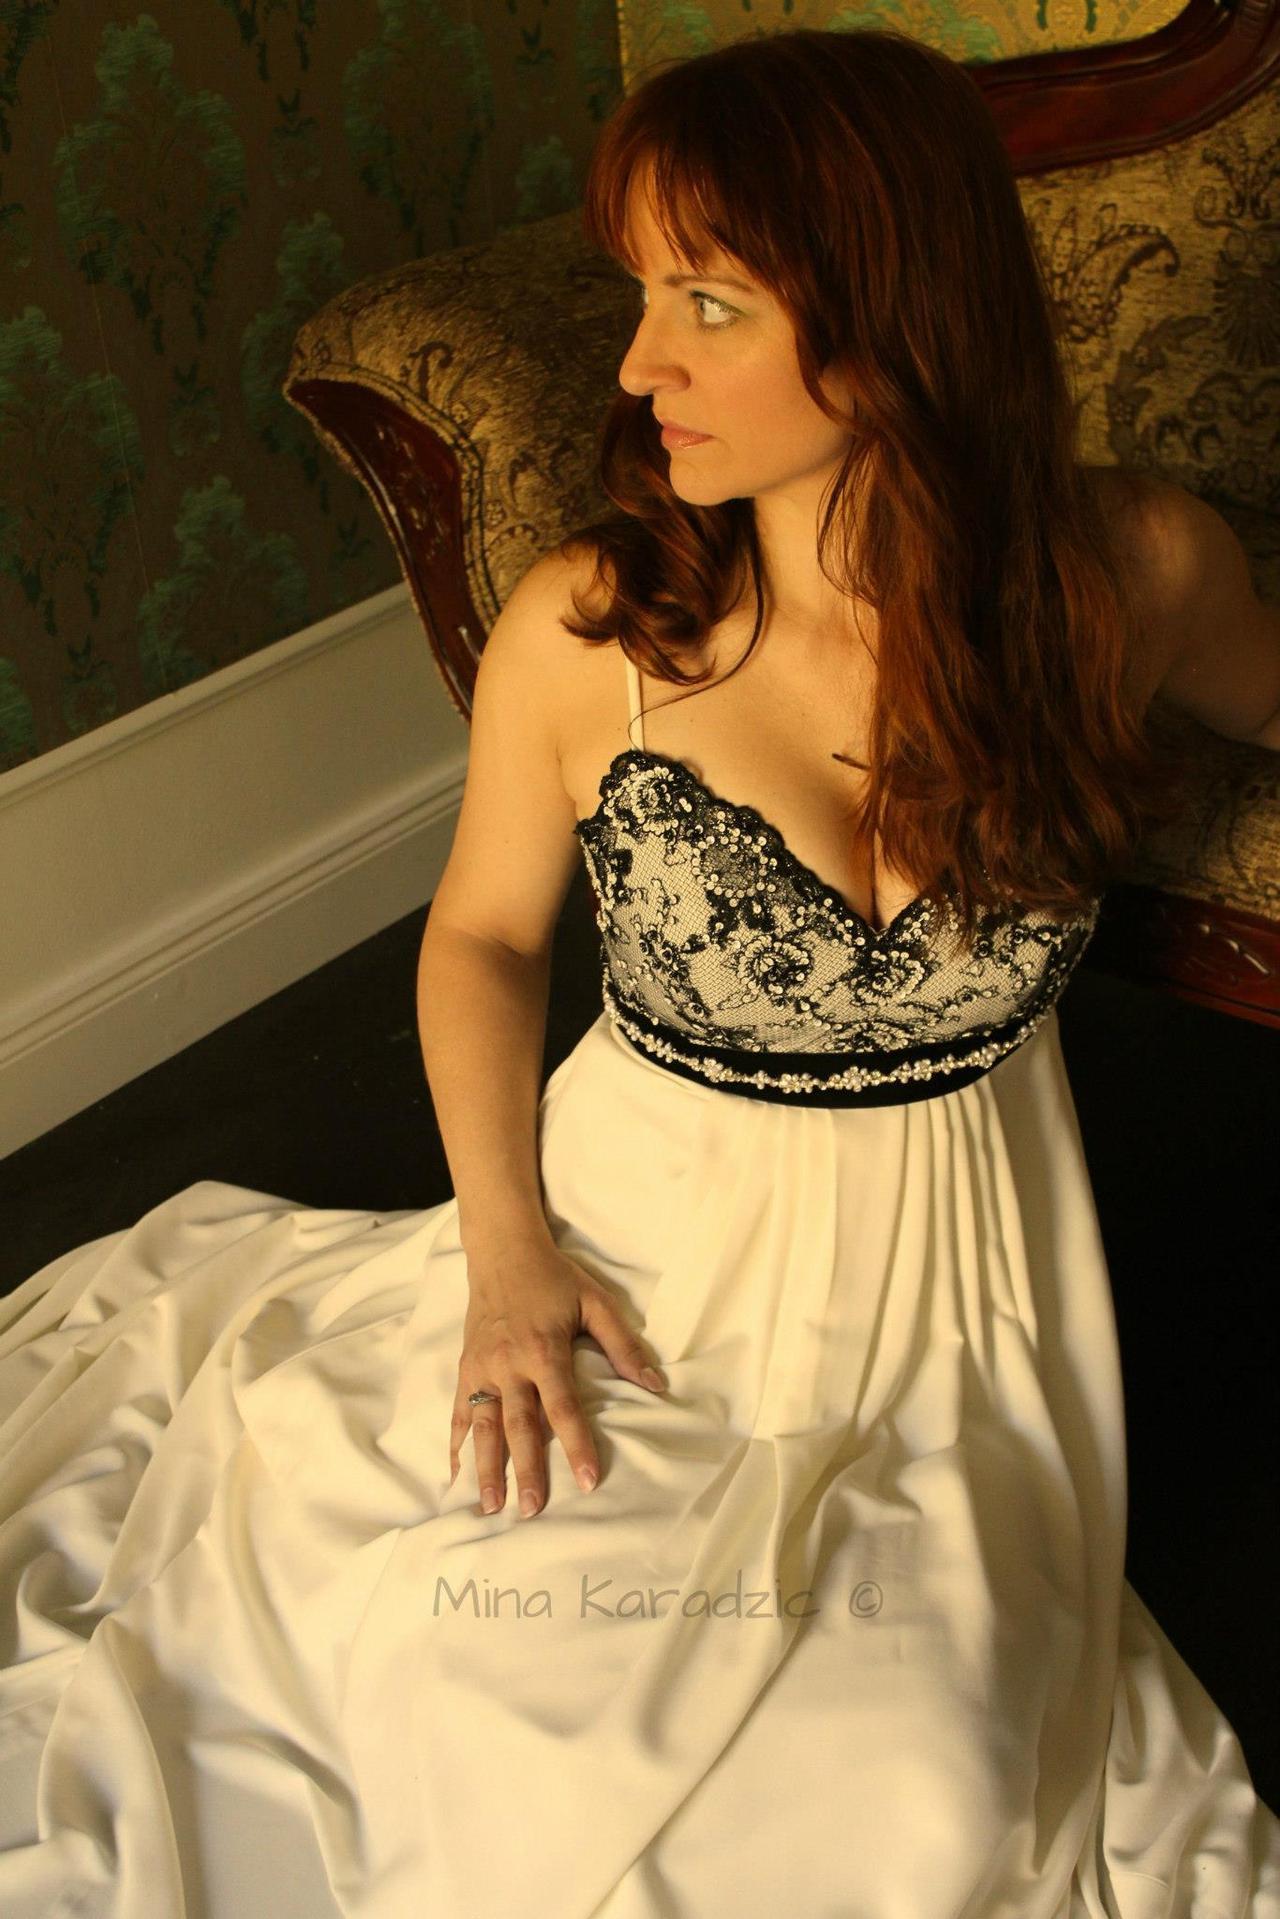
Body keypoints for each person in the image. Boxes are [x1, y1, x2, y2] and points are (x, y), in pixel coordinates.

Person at [1, 25, 1277, 1919]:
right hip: (646, 1260)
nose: (636, 365)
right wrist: (506, 1256)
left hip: (959, 1299)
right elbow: (482, 935)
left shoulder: (1135, 571)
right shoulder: (593, 630)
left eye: (710, 303)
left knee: (925, 1787)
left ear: (898, 317)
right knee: (506, 1693)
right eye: (642, 293)